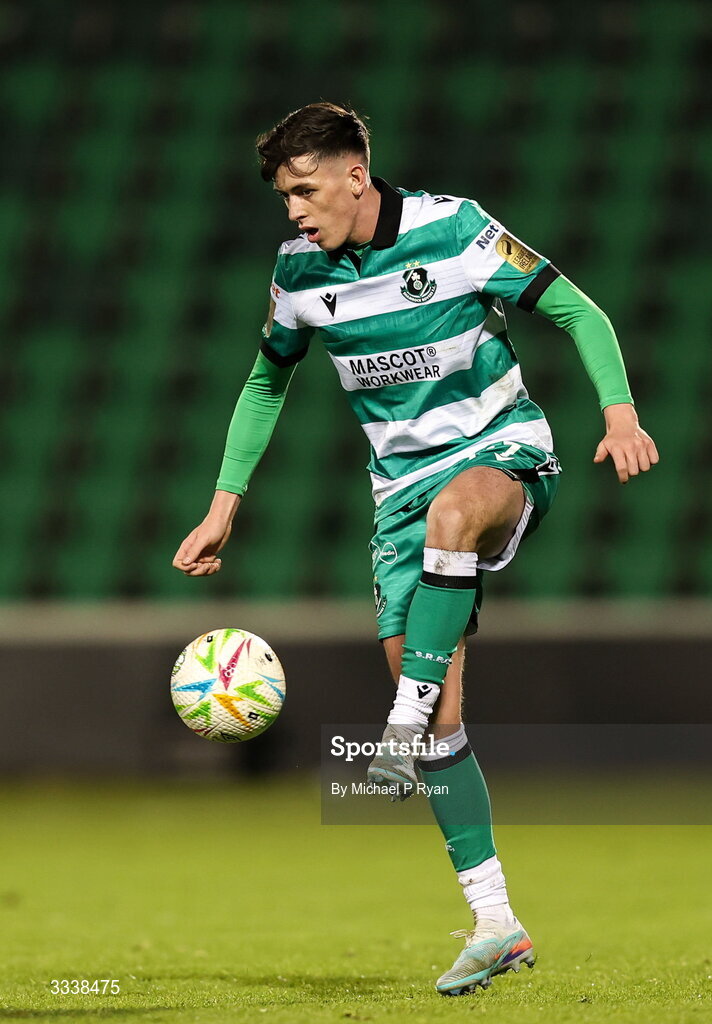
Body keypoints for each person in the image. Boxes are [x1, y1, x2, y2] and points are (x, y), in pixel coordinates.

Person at [173, 101, 659, 996]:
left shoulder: (458, 229)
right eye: (284, 197)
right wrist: (223, 504)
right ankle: (496, 922)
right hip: (397, 496)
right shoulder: (297, 274)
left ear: (356, 173)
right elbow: (264, 379)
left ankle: (393, 729)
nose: (293, 210)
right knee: (439, 714)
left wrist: (618, 412)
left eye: (305, 189)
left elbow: (578, 311)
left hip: (500, 454)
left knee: (448, 535)